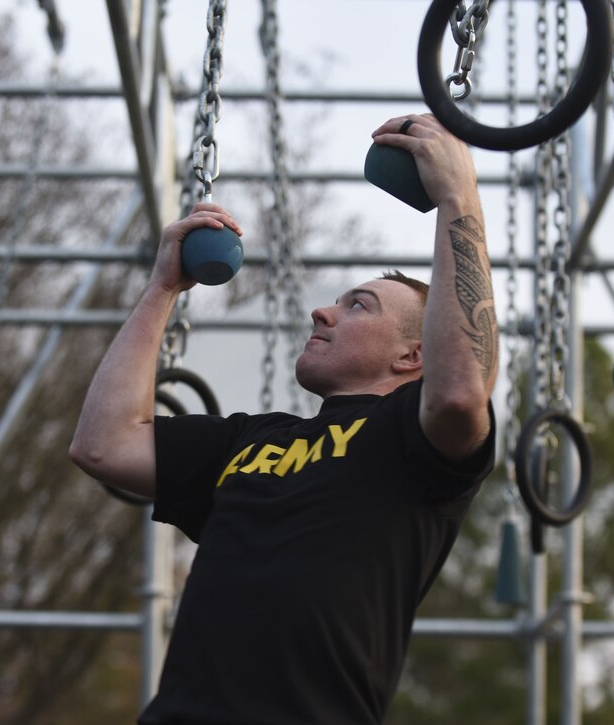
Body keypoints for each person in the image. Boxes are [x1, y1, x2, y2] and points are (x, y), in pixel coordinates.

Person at [69, 113, 498, 724]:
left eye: (359, 305)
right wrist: (163, 287)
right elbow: (103, 444)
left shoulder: (414, 439)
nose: (323, 312)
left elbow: (460, 391)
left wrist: (458, 196)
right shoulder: (249, 438)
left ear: (413, 355)